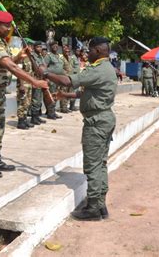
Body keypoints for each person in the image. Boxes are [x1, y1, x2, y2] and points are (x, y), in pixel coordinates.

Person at [39, 37, 117, 221]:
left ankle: (93, 209)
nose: (86, 54)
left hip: (96, 122)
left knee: (92, 166)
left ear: (97, 51)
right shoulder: (106, 69)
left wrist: (46, 73)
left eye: (89, 51)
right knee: (101, 163)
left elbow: (68, 80)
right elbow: (85, 93)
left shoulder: (99, 69)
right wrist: (64, 95)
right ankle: (100, 204)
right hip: (103, 119)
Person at [0, 11, 48, 178]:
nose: (8, 29)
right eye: (5, 26)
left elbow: (5, 64)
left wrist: (18, 58)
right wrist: (35, 82)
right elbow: (10, 67)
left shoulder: (0, 42)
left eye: (9, 25)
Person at [16, 40, 35, 130]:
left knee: (27, 103)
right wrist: (21, 85)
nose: (31, 48)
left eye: (31, 46)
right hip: (23, 84)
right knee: (22, 103)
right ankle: (21, 122)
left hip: (29, 84)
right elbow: (19, 71)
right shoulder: (21, 57)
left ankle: (25, 120)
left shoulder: (29, 57)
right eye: (29, 46)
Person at [45, 41, 65, 119]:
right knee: (52, 95)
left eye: (56, 45)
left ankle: (52, 111)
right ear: (50, 47)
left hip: (59, 79)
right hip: (52, 79)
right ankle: (50, 113)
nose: (55, 47)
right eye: (53, 46)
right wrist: (47, 78)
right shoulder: (48, 56)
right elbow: (44, 67)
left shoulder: (59, 56)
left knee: (56, 95)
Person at [29, 41, 47, 125]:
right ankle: (33, 117)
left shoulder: (41, 56)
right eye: (38, 47)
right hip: (36, 79)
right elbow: (35, 68)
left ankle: (37, 117)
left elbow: (43, 66)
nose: (39, 49)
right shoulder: (32, 56)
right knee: (35, 99)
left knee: (39, 99)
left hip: (41, 79)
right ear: (34, 47)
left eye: (40, 47)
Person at [59, 44, 73, 113]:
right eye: (66, 51)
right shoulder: (61, 59)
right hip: (64, 78)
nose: (67, 52)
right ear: (63, 52)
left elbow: (71, 68)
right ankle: (63, 108)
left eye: (68, 51)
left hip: (70, 78)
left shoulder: (70, 58)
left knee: (68, 92)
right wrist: (66, 75)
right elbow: (61, 69)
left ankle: (66, 106)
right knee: (63, 92)